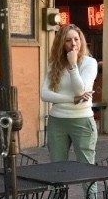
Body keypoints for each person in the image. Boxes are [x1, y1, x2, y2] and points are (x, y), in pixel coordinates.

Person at [41, 23, 98, 164]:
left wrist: (73, 65)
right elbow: (44, 94)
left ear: (81, 40)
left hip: (82, 119)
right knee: (57, 167)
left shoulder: (89, 63)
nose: (73, 44)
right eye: (68, 40)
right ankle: (59, 188)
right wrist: (72, 99)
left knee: (87, 168)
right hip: (57, 120)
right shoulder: (54, 64)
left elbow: (80, 89)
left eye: (76, 39)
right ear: (61, 44)